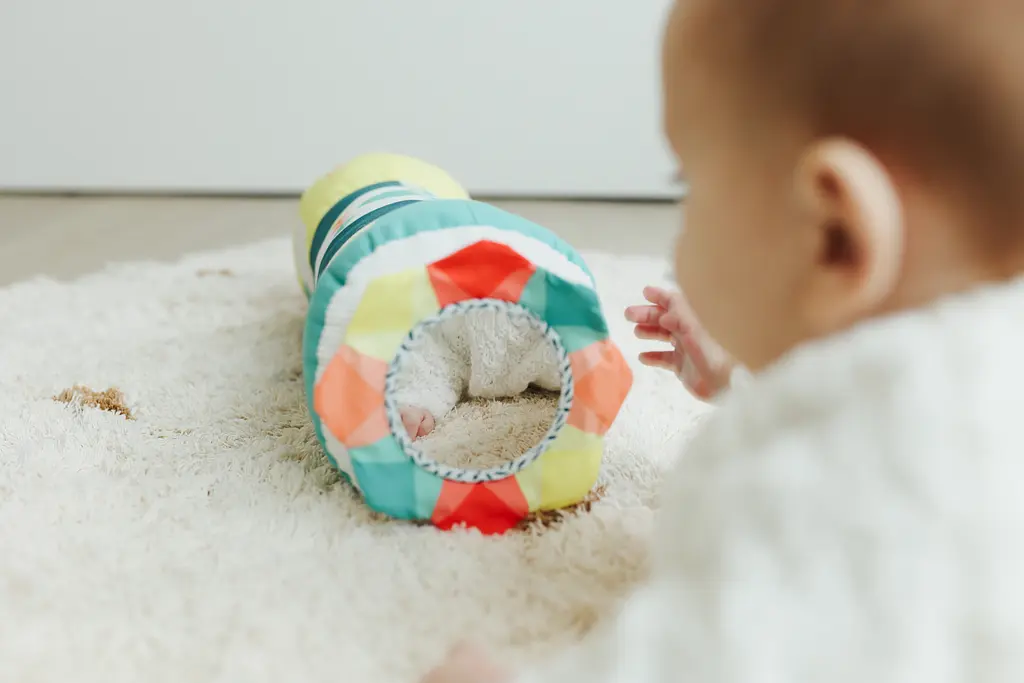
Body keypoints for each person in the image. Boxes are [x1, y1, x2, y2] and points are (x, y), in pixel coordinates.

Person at [421, 0, 1024, 680]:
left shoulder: (834, 494)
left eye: (690, 184)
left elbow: (723, 654)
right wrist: (754, 375)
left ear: (832, 237)